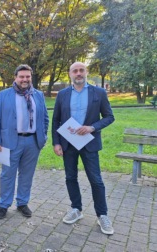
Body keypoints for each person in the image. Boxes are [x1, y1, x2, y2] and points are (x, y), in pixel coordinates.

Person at [52, 62, 115, 235]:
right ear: (70, 74)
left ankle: (102, 215)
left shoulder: (99, 93)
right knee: (70, 177)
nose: (78, 73)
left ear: (86, 72)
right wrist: (56, 143)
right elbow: (56, 120)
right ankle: (76, 209)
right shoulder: (62, 94)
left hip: (90, 143)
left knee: (96, 180)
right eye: (75, 71)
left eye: (81, 70)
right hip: (68, 144)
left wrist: (92, 127)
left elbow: (109, 117)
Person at [0, 64, 49, 219]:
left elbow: (44, 118)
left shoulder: (38, 95)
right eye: (22, 76)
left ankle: (22, 203)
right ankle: (4, 204)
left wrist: (43, 137)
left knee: (27, 174)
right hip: (9, 141)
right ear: (15, 77)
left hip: (32, 142)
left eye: (28, 76)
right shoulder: (4, 95)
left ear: (31, 77)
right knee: (7, 175)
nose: (25, 79)